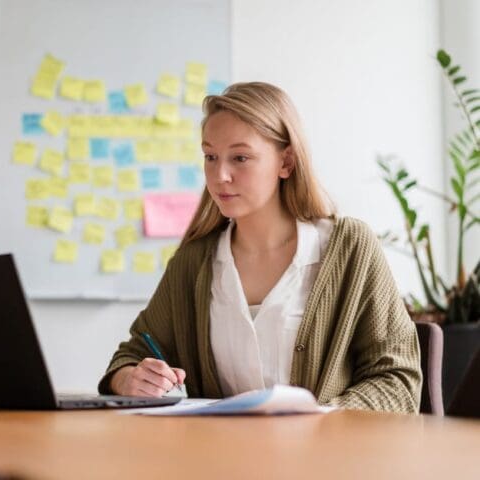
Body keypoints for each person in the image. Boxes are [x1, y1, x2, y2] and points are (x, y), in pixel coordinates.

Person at [98, 82, 421, 412]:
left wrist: (323, 422)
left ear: (286, 163)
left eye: (240, 157)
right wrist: (129, 378)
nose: (220, 175)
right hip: (219, 459)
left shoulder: (350, 247)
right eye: (210, 156)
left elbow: (397, 379)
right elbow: (134, 353)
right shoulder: (194, 261)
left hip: (324, 459)